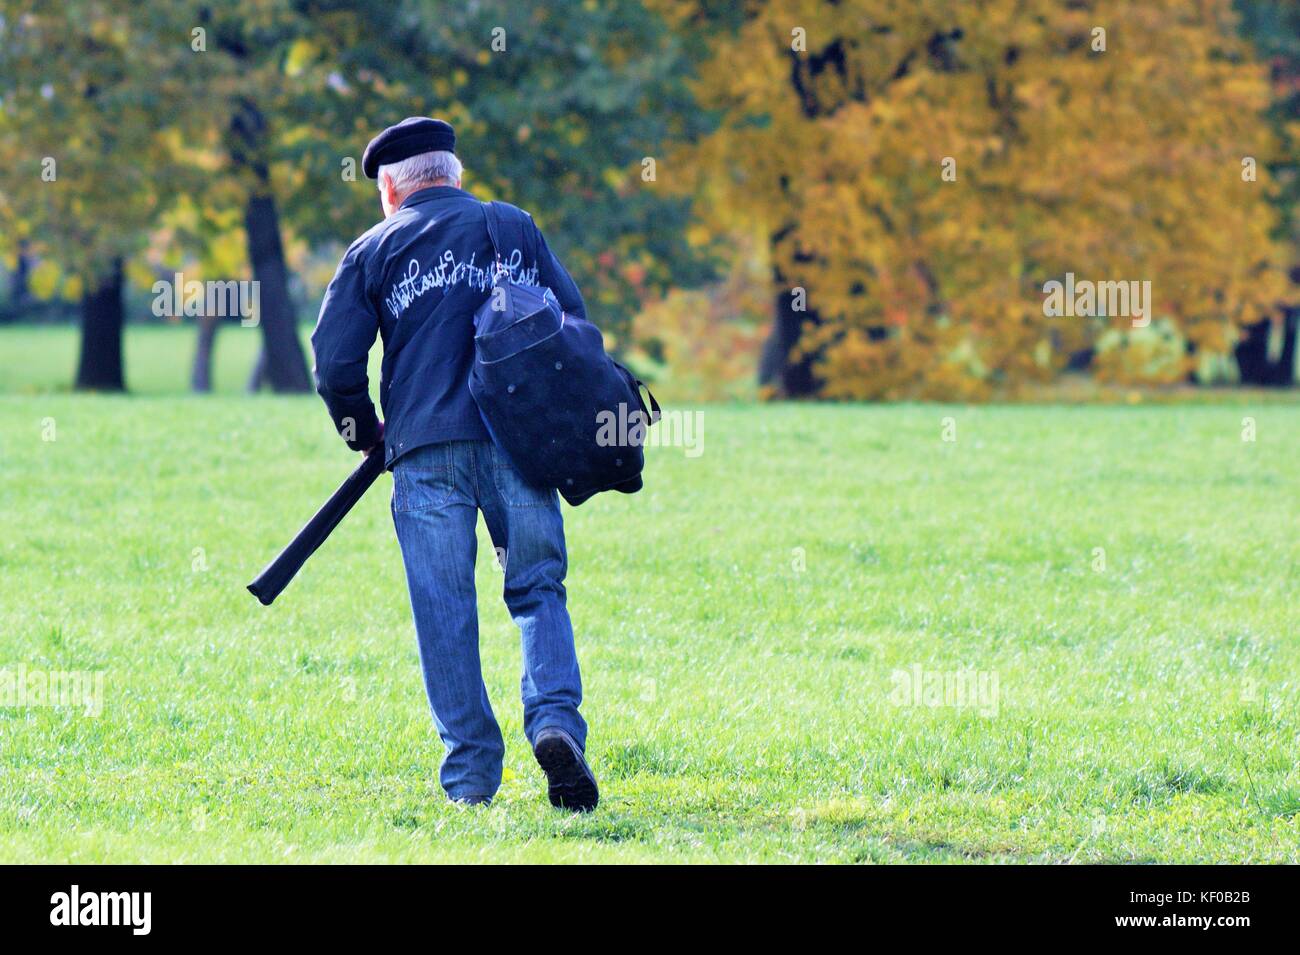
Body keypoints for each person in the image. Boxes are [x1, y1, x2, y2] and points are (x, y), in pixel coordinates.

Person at [310, 117, 598, 811]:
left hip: (422, 453)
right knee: (536, 589)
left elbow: (334, 362)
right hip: (517, 446)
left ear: (389, 188)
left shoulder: (372, 250)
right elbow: (575, 322)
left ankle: (470, 778)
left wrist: (363, 433)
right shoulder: (514, 226)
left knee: (444, 610)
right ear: (455, 174)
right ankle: (555, 721)